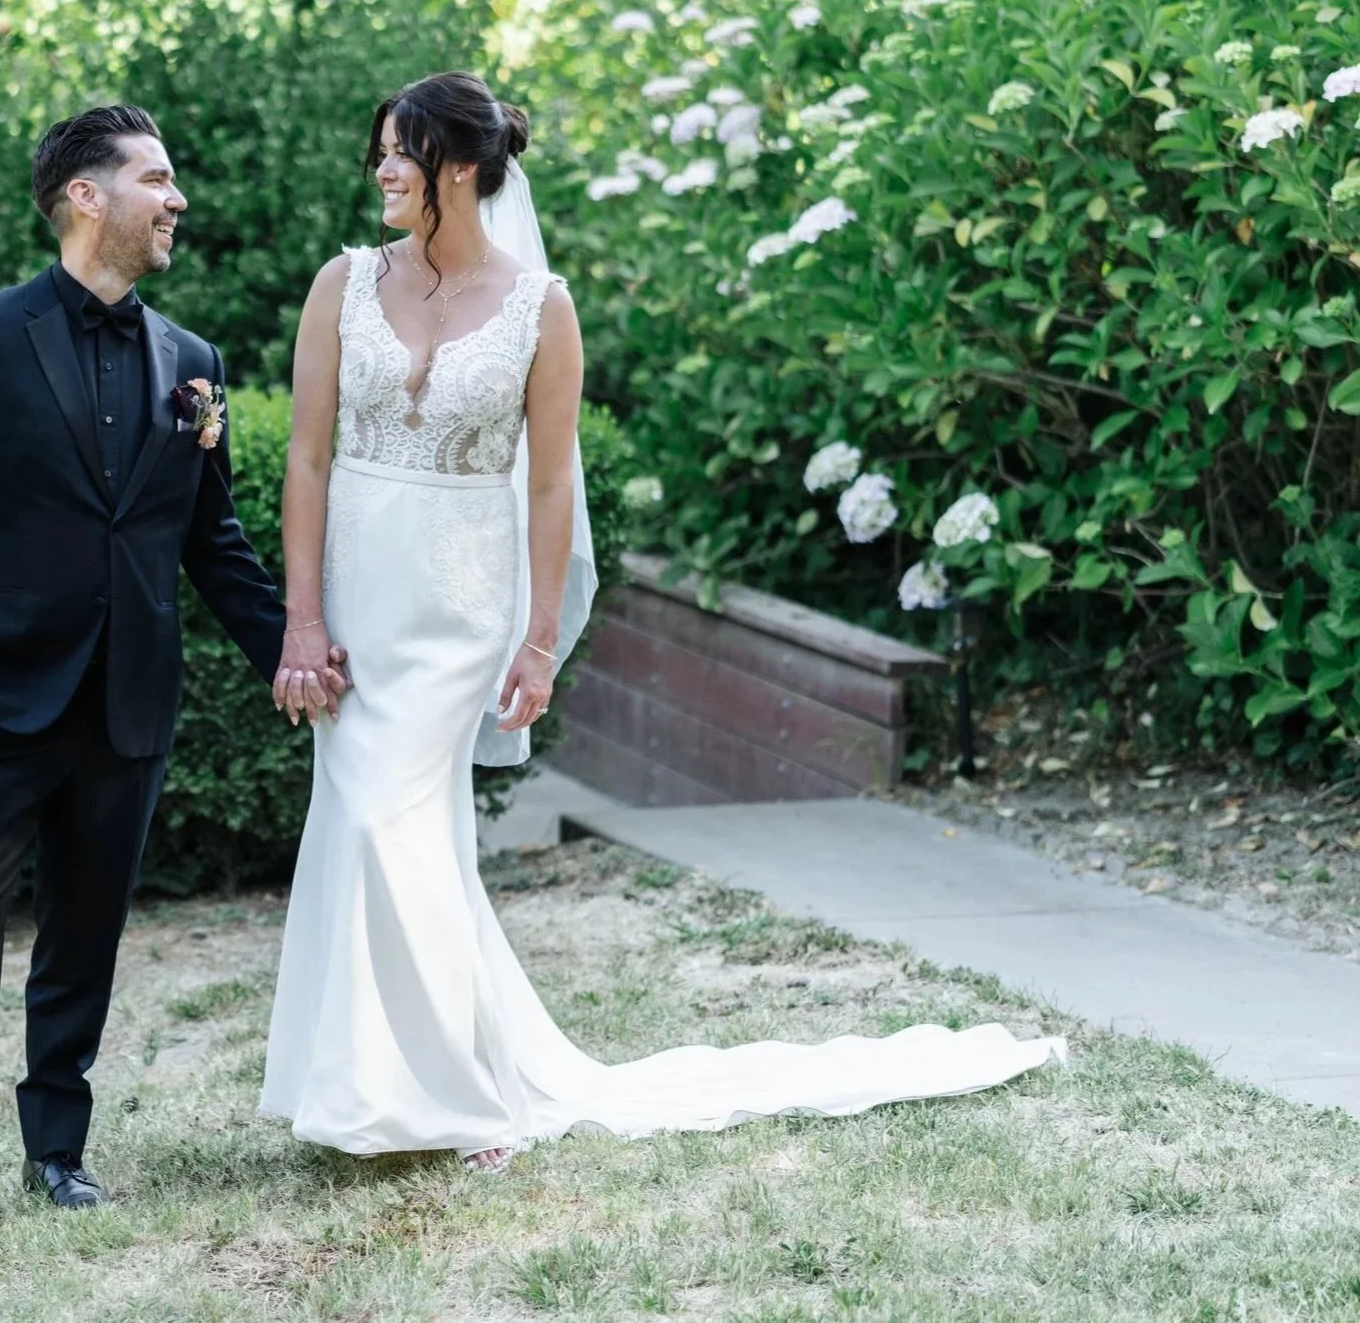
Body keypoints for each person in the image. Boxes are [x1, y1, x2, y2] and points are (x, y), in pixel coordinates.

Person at [259, 71, 1063, 1171]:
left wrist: (539, 639)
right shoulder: (342, 284)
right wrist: (301, 620)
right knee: (378, 824)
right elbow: (306, 458)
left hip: (456, 608)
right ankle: (393, 1081)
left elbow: (553, 484)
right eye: (382, 151)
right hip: (358, 593)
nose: (383, 170)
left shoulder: (539, 307)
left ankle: (450, 1096)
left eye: (402, 151)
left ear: (461, 165)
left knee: (387, 820)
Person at [0, 104, 346, 1265]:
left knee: (84, 940)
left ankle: (57, 1155)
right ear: (85, 196)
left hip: (127, 704)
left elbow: (210, 541)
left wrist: (295, 648)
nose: (176, 200)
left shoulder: (194, 364)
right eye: (155, 179)